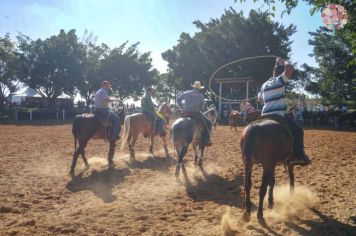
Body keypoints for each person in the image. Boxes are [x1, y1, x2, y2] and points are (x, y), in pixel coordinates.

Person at [258, 58, 311, 166]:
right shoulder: (280, 81)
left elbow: (260, 100)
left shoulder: (264, 85)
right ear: (281, 72)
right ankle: (297, 156)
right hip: (277, 115)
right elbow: (290, 68)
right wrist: (282, 61)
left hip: (264, 116)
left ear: (273, 72)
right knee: (298, 131)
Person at [176, 81, 212, 146]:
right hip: (196, 114)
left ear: (193, 87)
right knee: (209, 124)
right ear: (199, 88)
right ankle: (206, 141)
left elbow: (178, 99)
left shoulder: (186, 93)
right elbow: (202, 107)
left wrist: (182, 107)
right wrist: (200, 109)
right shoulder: (201, 95)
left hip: (185, 113)